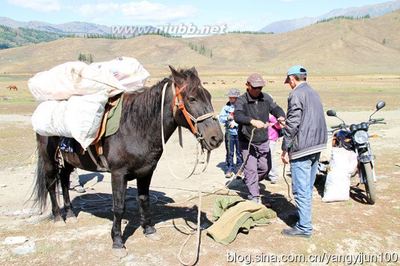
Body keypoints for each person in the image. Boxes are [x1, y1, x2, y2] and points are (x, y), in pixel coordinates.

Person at [280, 65, 327, 238]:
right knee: (307, 186)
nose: (289, 85)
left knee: (301, 189)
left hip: (303, 147)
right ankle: (303, 217)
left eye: (289, 81)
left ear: (292, 79)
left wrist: (285, 147)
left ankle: (304, 228)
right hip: (317, 144)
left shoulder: (296, 94)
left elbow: (293, 124)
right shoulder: (314, 92)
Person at [234, 73, 285, 204]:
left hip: (263, 139)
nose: (258, 90)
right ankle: (254, 196)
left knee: (265, 168)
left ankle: (251, 181)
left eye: (260, 88)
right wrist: (251, 121)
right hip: (247, 140)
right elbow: (238, 116)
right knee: (250, 169)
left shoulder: (266, 98)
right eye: (255, 87)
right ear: (247, 85)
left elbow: (276, 108)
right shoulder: (241, 100)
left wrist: (281, 116)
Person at [219, 88, 243, 178]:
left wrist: (236, 123)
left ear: (236, 98)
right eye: (230, 97)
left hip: (239, 133)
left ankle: (239, 169)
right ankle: (229, 168)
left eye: (232, 97)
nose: (230, 99)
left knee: (239, 151)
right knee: (229, 151)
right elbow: (221, 118)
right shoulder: (226, 107)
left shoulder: (242, 107)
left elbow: (244, 117)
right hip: (229, 133)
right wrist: (228, 118)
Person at [267, 114, 283, 184]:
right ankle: (267, 173)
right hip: (264, 138)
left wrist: (271, 124)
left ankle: (273, 176)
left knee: (271, 157)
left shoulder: (272, 116)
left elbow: (279, 126)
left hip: (271, 138)